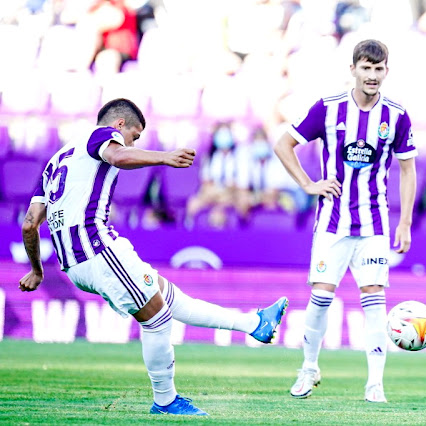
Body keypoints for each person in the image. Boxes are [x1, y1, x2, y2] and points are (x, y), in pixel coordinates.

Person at [18, 98, 289, 416]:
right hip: (96, 249)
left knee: (172, 301)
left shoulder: (55, 161)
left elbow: (29, 224)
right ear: (118, 125)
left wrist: (37, 270)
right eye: (134, 135)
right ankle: (165, 400)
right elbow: (117, 155)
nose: (131, 142)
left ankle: (254, 323)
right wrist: (165, 157)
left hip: (80, 259)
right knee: (157, 317)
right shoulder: (100, 135)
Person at [274, 39, 417, 403]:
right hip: (333, 222)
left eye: (379, 68)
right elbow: (283, 145)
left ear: (387, 71)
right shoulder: (328, 108)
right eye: (366, 68)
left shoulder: (397, 116)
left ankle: (375, 385)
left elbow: (407, 169)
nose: (372, 75)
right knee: (320, 297)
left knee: (374, 298)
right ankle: (308, 369)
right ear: (352, 69)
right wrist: (308, 184)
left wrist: (405, 223)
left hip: (374, 224)